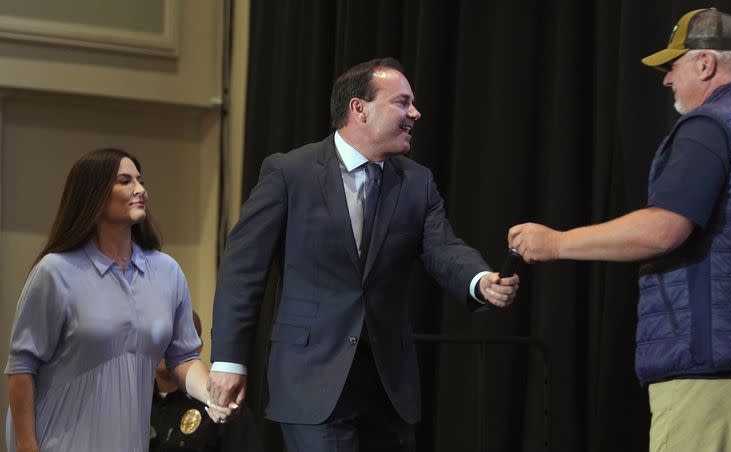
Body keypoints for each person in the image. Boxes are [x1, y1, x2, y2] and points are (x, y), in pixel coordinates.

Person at [508, 8, 731, 451]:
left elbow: (664, 229)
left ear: (705, 64)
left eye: (672, 66)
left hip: (714, 369)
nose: (666, 80)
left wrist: (555, 243)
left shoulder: (709, 125)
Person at [207, 57, 520, 452]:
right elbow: (242, 271)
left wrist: (480, 281)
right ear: (360, 108)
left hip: (388, 385)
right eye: (402, 102)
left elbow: (443, 246)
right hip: (311, 379)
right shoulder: (290, 173)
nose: (415, 113)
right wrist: (228, 360)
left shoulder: (416, 182)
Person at [5, 148, 230, 452]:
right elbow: (22, 367)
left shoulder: (167, 272)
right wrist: (26, 444)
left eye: (140, 179)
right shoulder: (55, 272)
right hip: (58, 440)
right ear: (94, 195)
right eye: (125, 181)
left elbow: (183, 358)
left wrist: (212, 394)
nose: (140, 189)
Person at [150, 311, 262, 452]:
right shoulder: (134, 399)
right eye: (157, 338)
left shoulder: (223, 404)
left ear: (197, 347)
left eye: (175, 340)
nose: (164, 346)